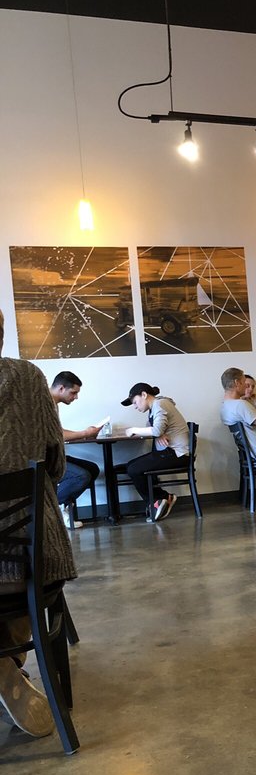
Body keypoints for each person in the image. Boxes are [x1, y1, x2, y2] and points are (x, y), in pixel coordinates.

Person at [0, 309, 76, 737]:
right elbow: (56, 463)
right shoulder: (29, 377)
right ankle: (9, 661)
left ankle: (5, 665)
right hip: (35, 558)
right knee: (23, 577)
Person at [121, 382, 189, 521]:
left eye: (135, 402)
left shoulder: (160, 404)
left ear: (144, 395)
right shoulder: (155, 407)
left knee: (134, 469)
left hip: (176, 454)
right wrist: (158, 432)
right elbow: (154, 428)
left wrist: (134, 429)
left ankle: (156, 503)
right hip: (169, 452)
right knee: (131, 466)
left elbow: (156, 430)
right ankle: (163, 498)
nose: (135, 407)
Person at [49, 371, 102, 529]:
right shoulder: (45, 403)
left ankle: (63, 506)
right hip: (46, 459)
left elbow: (58, 432)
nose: (76, 397)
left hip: (56, 456)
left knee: (92, 469)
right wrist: (85, 433)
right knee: (81, 476)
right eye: (73, 393)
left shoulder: (53, 404)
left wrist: (85, 434)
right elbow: (56, 435)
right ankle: (53, 509)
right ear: (61, 388)